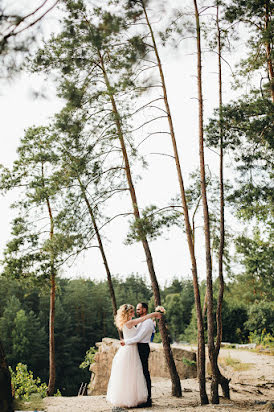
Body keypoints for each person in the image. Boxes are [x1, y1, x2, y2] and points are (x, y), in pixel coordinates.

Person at [106, 304, 161, 409]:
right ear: (128, 313)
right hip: (130, 349)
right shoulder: (130, 323)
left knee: (130, 374)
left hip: (129, 348)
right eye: (132, 312)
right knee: (132, 374)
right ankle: (132, 398)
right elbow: (143, 319)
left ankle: (131, 398)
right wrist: (154, 314)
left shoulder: (125, 323)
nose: (134, 313)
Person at [121, 302, 157, 408]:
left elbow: (138, 338)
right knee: (137, 373)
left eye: (138, 309)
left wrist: (125, 342)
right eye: (134, 310)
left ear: (144, 310)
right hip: (136, 348)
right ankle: (138, 397)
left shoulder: (147, 322)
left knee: (144, 372)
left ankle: (148, 398)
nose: (136, 311)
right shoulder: (138, 321)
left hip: (142, 348)